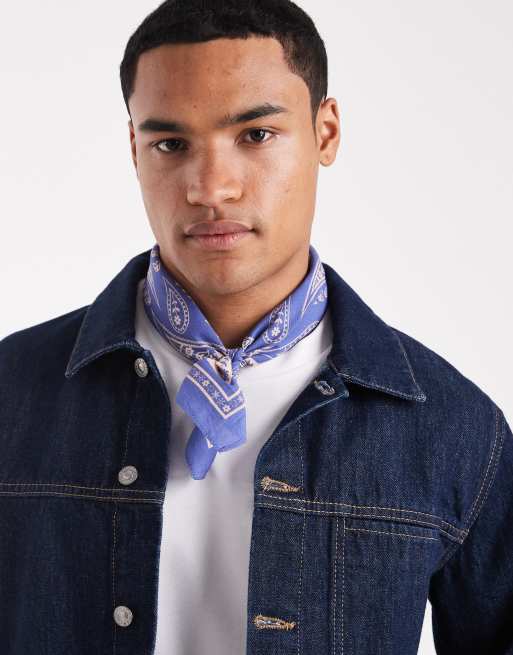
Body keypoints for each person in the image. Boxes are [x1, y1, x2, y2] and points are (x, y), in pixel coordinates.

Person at [0, 0, 511, 653]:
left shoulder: (453, 428)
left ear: (325, 132)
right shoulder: (12, 393)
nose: (211, 187)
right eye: (171, 144)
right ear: (134, 150)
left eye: (256, 135)